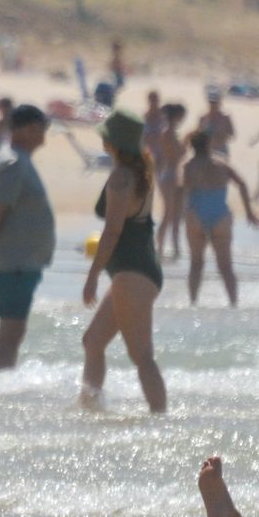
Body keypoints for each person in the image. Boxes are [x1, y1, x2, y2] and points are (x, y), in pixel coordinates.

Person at [80, 111, 166, 412]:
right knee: (93, 341)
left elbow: (113, 229)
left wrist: (92, 276)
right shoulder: (142, 168)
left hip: (132, 272)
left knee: (141, 355)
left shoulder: (121, 177)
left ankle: (161, 421)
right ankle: (90, 408)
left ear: (112, 142)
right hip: (137, 270)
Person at [0, 104, 54, 371]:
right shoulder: (12, 162)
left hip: (22, 262)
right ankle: (1, 383)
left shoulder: (18, 160)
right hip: (12, 261)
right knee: (11, 333)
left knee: (14, 332)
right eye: (42, 129)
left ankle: (4, 379)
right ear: (28, 129)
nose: (44, 136)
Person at [180, 131, 259, 306]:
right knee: (225, 266)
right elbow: (242, 184)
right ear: (208, 144)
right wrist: (249, 212)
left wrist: (184, 216)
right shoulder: (222, 164)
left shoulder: (188, 166)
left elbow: (183, 192)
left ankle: (193, 305)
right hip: (220, 217)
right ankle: (234, 305)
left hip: (196, 216)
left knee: (196, 264)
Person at [154, 103, 186, 260]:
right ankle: (160, 248)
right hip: (170, 176)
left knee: (175, 214)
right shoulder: (168, 133)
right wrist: (186, 143)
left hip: (172, 175)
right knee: (168, 213)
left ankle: (175, 248)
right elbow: (177, 155)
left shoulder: (169, 132)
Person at [197, 88, 234, 158]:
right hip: (205, 151)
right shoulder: (203, 117)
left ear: (219, 102)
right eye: (211, 102)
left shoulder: (225, 118)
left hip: (221, 150)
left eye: (215, 102)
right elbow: (197, 134)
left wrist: (222, 137)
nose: (213, 104)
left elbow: (232, 134)